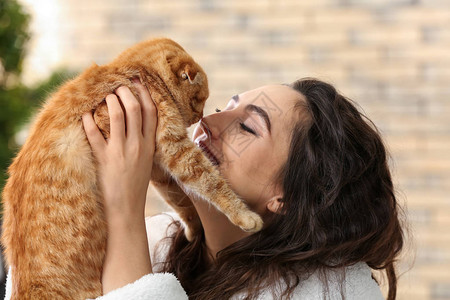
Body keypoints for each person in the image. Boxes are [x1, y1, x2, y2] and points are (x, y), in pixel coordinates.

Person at [4, 78, 405, 299]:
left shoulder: (325, 296)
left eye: (247, 126)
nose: (207, 123)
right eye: (223, 106)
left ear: (287, 197)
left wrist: (123, 208)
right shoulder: (161, 244)